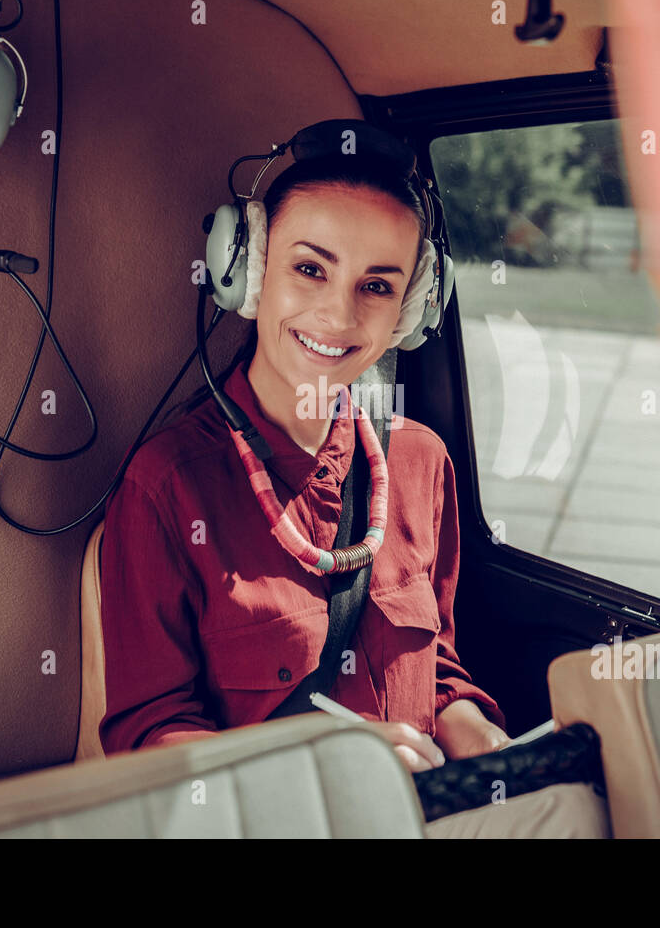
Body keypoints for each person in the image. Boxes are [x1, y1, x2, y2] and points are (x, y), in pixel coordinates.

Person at [98, 136, 609, 838]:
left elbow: (440, 669)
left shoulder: (421, 463)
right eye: (310, 269)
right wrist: (316, 768)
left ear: (409, 309)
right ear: (247, 274)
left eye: (376, 285)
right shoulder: (166, 489)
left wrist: (473, 733)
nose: (339, 317)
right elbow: (147, 739)